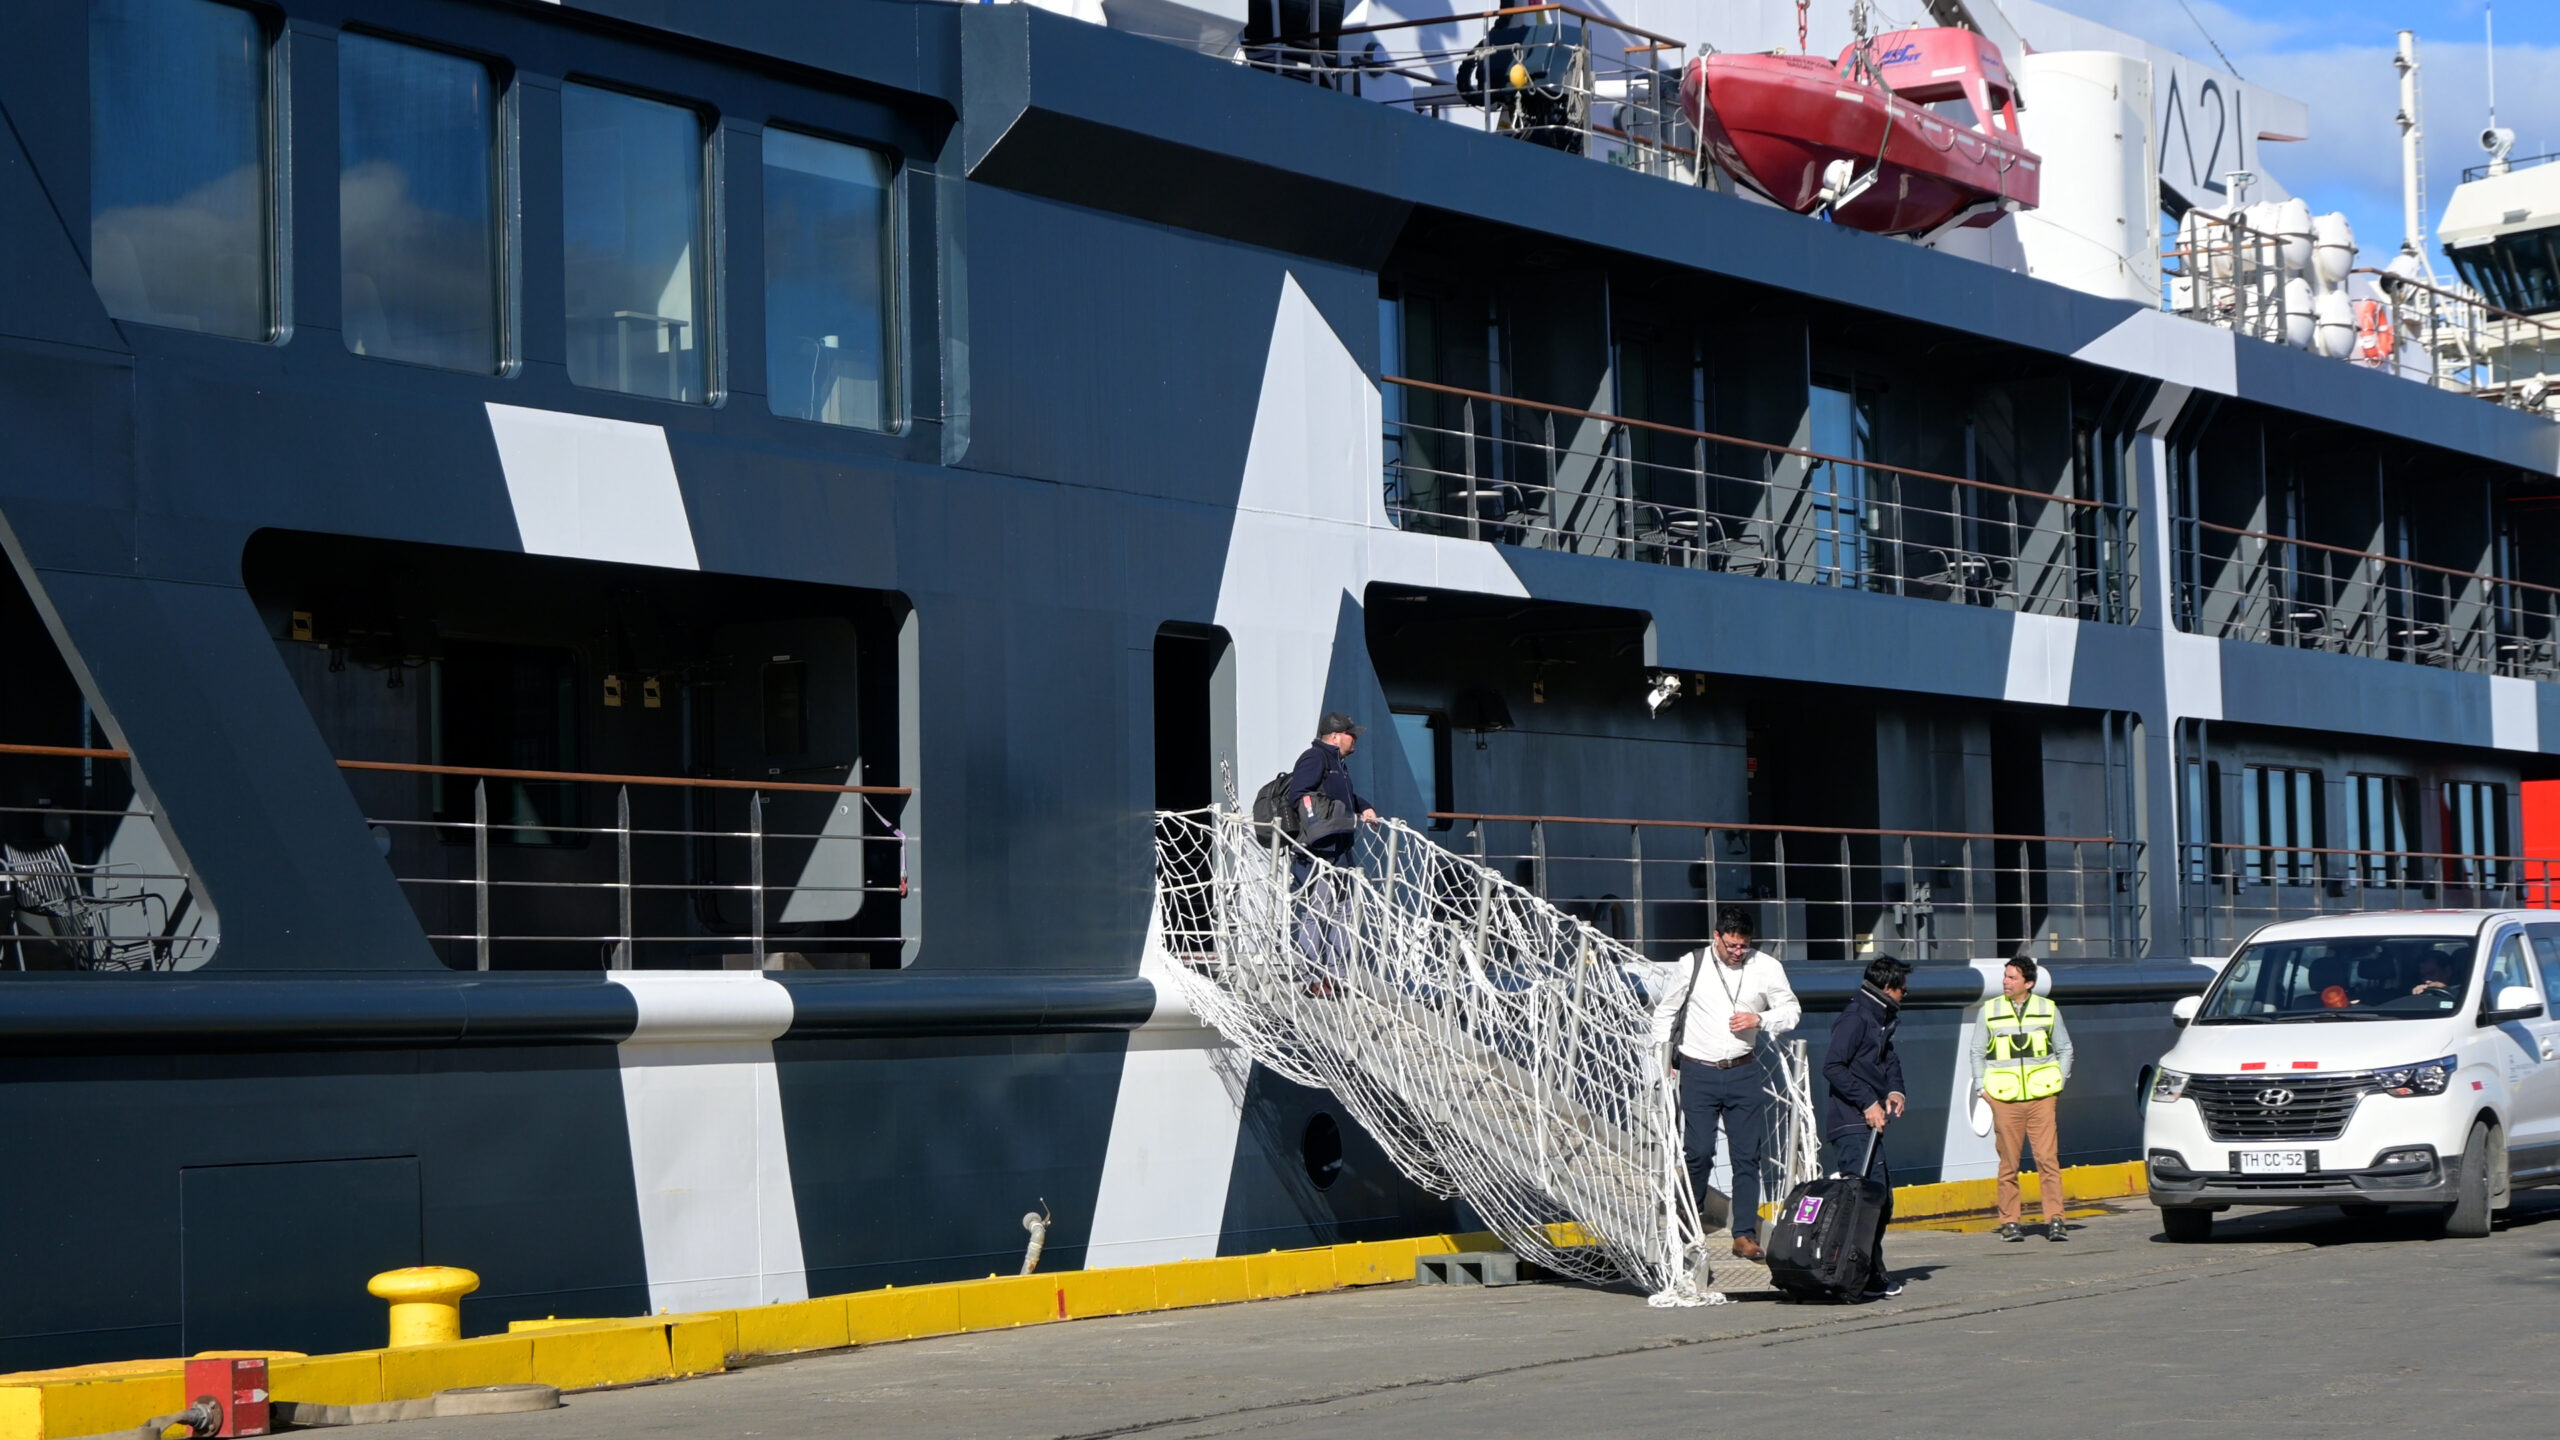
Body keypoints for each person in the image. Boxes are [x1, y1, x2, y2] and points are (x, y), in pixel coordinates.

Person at [1653, 908, 1801, 1262]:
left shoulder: (1765, 967)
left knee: (1747, 1156)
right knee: (1699, 1152)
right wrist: (1661, 1062)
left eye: (1743, 946)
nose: (1738, 952)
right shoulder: (1692, 964)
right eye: (1731, 945)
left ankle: (1744, 1235)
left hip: (1743, 1070)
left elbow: (1792, 1011)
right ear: (1716, 937)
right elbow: (1665, 1013)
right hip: (1698, 1070)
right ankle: (1689, 1219)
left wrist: (1760, 1019)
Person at [1822, 955, 1910, 1300]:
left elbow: (1888, 1058)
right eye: (1903, 988)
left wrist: (1894, 1089)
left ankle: (1866, 1269)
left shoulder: (1880, 1017)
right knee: (1867, 1201)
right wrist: (1867, 1102)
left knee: (1879, 1200)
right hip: (1851, 1123)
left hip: (1867, 1124)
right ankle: (1861, 1272)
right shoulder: (1856, 1018)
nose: (1905, 994)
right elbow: (1833, 1066)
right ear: (1888, 988)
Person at [1972, 956, 2075, 1243]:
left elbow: (2065, 1049)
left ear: (2028, 983)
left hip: (2042, 1097)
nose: (2005, 981)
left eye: (2012, 978)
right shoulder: (1989, 1011)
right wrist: (1983, 1089)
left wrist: (2058, 1084)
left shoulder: (2048, 1009)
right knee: (2008, 1164)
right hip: (2004, 1099)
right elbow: (1977, 1052)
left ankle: (2056, 1219)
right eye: (2005, 976)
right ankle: (2010, 1222)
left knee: (2047, 1160)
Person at [1283, 713, 1377, 988]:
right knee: (1319, 913)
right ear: (1335, 736)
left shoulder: (1339, 763)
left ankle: (1336, 977)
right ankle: (1313, 978)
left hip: (1342, 851)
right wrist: (1324, 824)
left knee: (1346, 912)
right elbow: (1299, 794)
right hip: (1321, 852)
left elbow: (1344, 797)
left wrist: (1363, 806)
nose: (1355, 739)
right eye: (1351, 734)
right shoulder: (1315, 758)